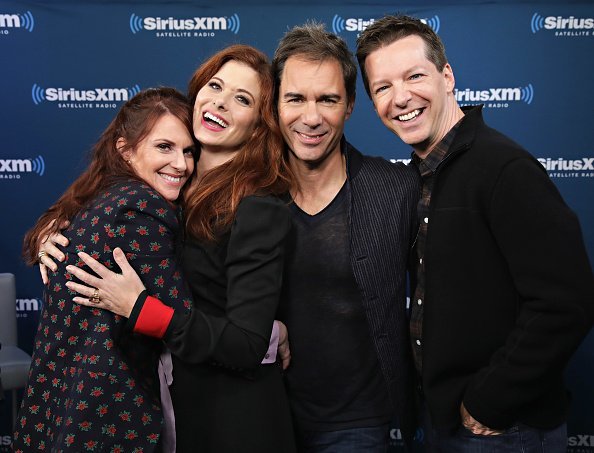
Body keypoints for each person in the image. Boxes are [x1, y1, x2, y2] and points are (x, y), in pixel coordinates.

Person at [39, 44, 297, 453]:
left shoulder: (259, 206)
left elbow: (246, 344)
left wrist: (140, 308)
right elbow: (98, 198)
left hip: (234, 421)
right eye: (216, 86)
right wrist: (54, 230)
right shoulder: (167, 188)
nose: (221, 102)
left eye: (243, 99)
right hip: (172, 411)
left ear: (258, 125)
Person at [356, 14, 594, 452]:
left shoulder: (503, 169)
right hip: (446, 423)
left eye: (414, 76)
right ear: (373, 104)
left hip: (505, 429)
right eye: (383, 87)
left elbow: (567, 302)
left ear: (447, 77)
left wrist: (490, 402)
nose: (401, 97)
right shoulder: (420, 178)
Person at [14, 87, 197, 452]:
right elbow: (184, 322)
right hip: (108, 415)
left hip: (56, 407)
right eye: (164, 147)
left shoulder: (97, 198)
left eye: (189, 151)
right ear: (125, 149)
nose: (181, 164)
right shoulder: (144, 206)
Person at [271, 23, 420, 451]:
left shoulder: (395, 188)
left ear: (350, 105)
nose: (311, 117)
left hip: (359, 424)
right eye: (296, 98)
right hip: (265, 411)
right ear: (276, 104)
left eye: (328, 99)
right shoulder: (252, 191)